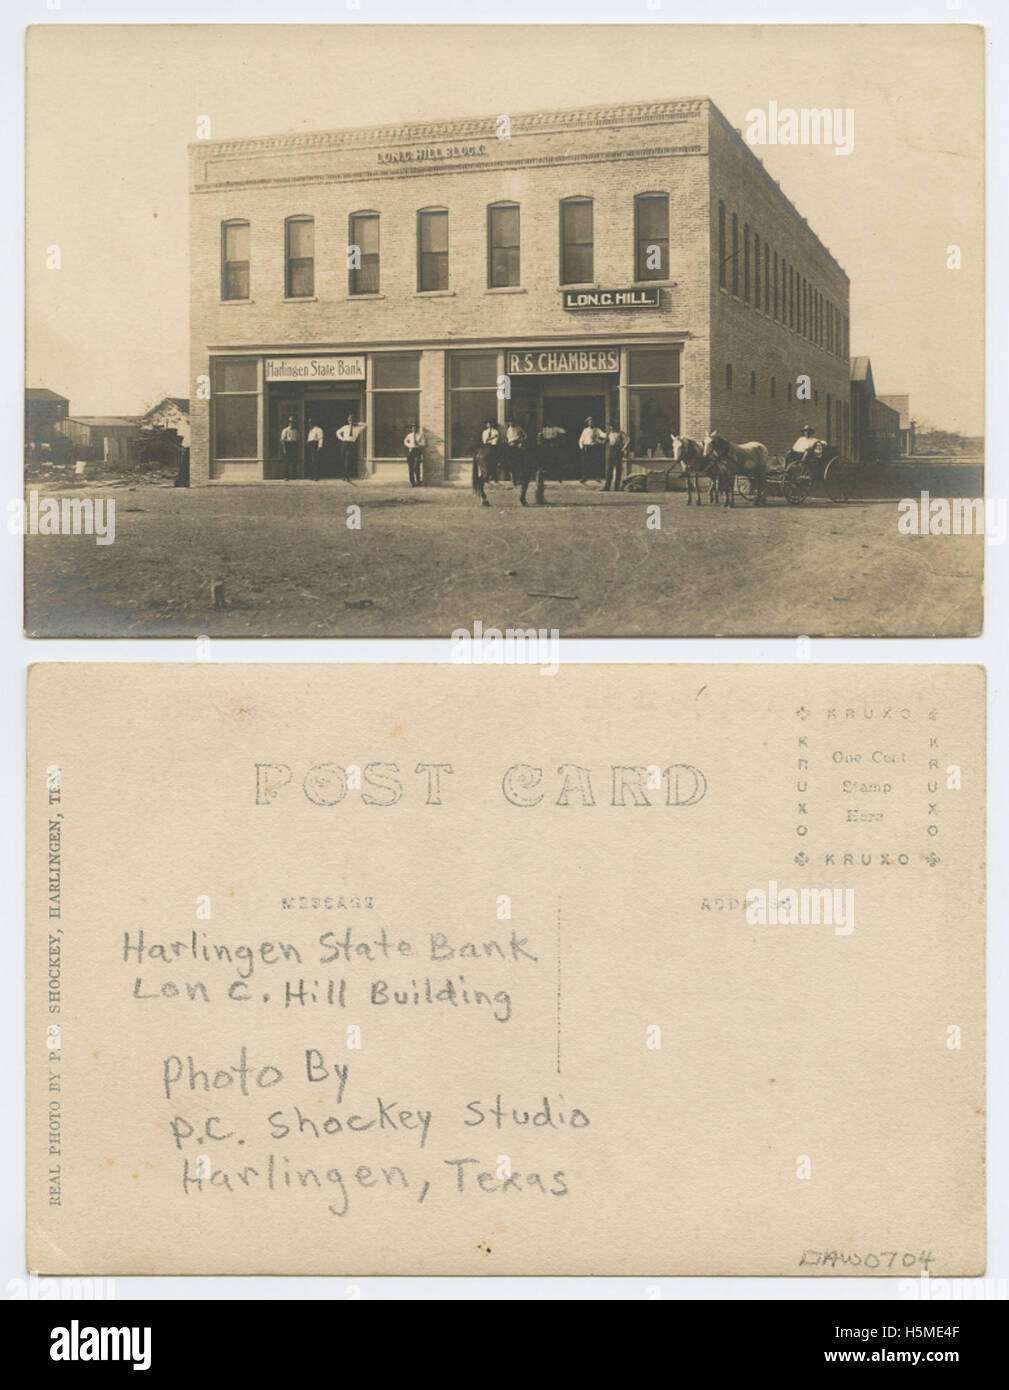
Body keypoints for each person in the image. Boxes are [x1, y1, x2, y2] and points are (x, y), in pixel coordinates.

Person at [336, 414, 365, 482]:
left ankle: (347, 476)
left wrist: (357, 423)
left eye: (352, 420)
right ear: (347, 420)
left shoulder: (357, 428)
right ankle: (343, 475)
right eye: (349, 420)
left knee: (348, 459)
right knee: (343, 459)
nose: (350, 421)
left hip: (351, 444)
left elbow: (365, 425)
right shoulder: (345, 427)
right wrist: (342, 438)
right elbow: (337, 432)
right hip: (344, 443)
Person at [603, 424, 629, 491]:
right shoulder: (609, 433)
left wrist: (624, 448)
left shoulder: (620, 433)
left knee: (618, 469)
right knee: (609, 469)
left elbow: (628, 439)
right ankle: (607, 487)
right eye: (611, 426)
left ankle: (616, 487)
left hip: (618, 450)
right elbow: (605, 441)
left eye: (613, 426)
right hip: (611, 450)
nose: (612, 428)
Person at [280, 416, 299, 481]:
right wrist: (284, 449)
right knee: (286, 462)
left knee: (294, 461)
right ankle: (285, 476)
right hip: (287, 445)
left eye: (293, 422)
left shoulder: (296, 431)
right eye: (291, 422)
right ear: (289, 423)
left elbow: (297, 439)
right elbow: (282, 440)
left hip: (294, 445)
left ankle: (293, 476)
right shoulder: (285, 430)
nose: (292, 423)